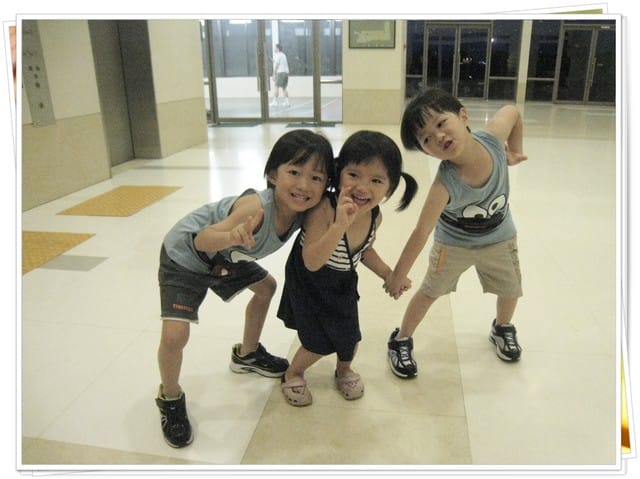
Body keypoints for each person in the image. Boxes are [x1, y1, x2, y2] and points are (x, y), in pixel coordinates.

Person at [155, 129, 334, 447]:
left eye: (316, 177)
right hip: (186, 255)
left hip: (227, 258)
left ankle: (247, 355)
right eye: (294, 172)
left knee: (266, 288)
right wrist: (231, 236)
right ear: (273, 175)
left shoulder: (304, 212)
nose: (304, 185)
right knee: (174, 336)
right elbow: (202, 239)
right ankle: (170, 397)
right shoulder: (256, 209)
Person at [384, 87, 528, 379]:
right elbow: (421, 231)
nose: (438, 137)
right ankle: (400, 339)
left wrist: (514, 150)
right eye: (426, 139)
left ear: (463, 116)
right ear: (426, 152)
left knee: (511, 288)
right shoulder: (444, 184)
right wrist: (398, 275)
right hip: (453, 245)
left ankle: (502, 327)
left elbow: (512, 112)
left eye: (441, 123)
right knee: (429, 292)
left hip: (500, 237)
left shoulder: (493, 140)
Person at [277, 131, 418, 406]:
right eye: (353, 175)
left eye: (376, 180)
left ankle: (343, 370)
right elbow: (312, 261)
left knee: (350, 336)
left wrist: (388, 274)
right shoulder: (324, 210)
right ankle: (293, 372)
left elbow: (364, 251)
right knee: (317, 341)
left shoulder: (375, 217)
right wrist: (339, 225)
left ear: (389, 189)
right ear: (338, 174)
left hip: (342, 282)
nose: (362, 187)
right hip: (309, 283)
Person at [270, 43, 290, 107]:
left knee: (276, 86)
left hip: (280, 73)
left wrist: (273, 74)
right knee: (284, 88)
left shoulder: (278, 55)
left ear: (278, 49)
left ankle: (274, 102)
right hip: (286, 73)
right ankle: (287, 102)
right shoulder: (283, 55)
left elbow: (277, 66)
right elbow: (281, 63)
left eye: (275, 48)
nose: (274, 49)